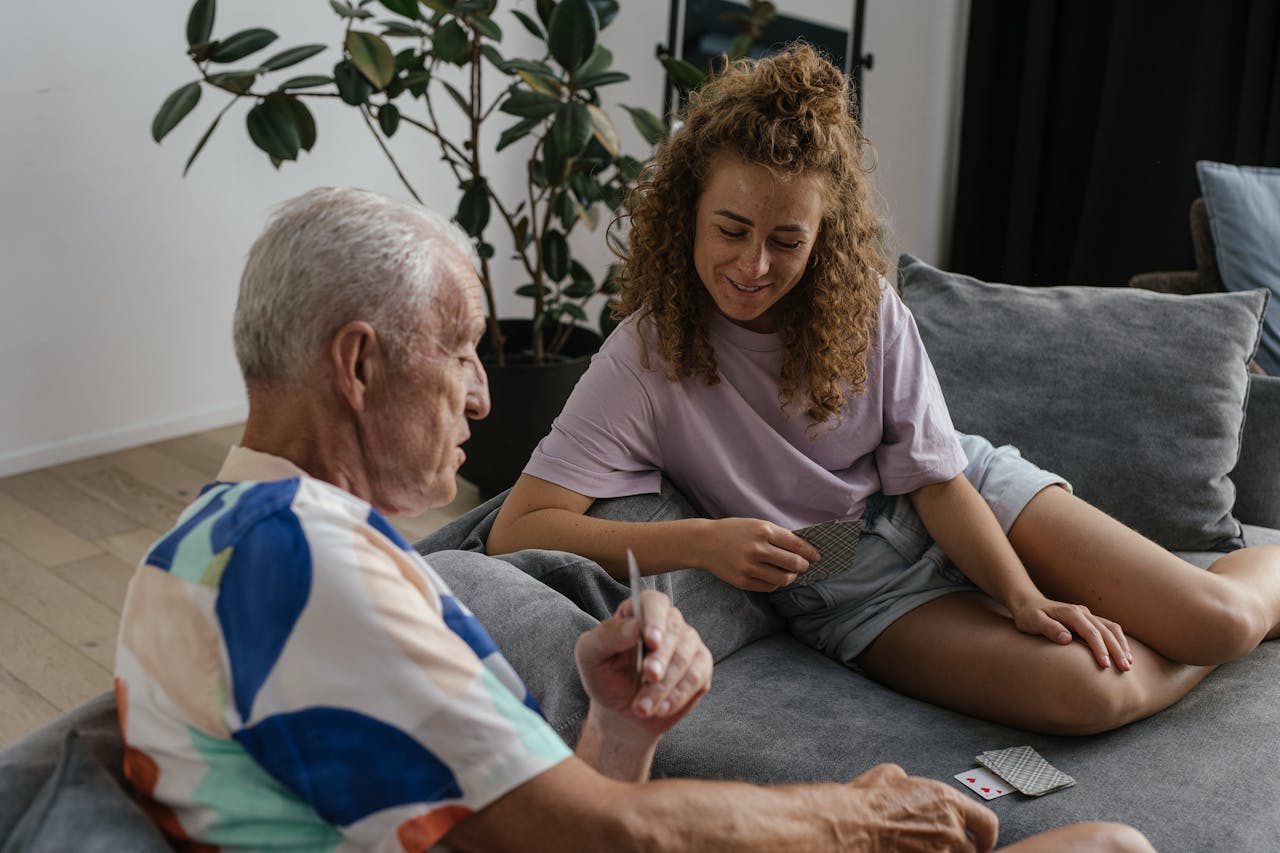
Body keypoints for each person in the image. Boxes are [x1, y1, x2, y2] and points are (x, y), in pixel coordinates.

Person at [113, 186, 1150, 852]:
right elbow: (607, 836)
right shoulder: (295, 562)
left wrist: (616, 728)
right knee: (1103, 850)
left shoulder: (234, 542)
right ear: (356, 362)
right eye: (461, 348)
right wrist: (854, 814)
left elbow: (535, 829)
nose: (481, 395)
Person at [486, 44, 1280, 739]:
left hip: (968, 494)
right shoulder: (645, 358)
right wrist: (706, 541)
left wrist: (1025, 596)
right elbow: (517, 528)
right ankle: (1194, 634)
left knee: (1220, 619)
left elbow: (934, 478)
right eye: (732, 229)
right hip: (845, 582)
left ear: (822, 235)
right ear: (688, 210)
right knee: (1096, 691)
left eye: (787, 240)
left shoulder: (860, 304)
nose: (754, 265)